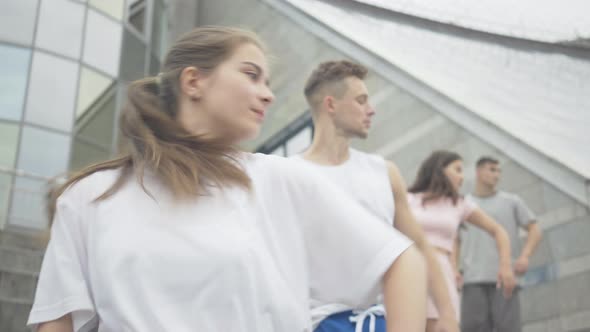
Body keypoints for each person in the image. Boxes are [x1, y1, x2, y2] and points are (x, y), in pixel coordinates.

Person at [27, 27, 427, 332]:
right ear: (193, 81)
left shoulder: (280, 179)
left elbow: (402, 261)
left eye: (268, 82)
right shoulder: (88, 198)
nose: (267, 94)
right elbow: (57, 322)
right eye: (251, 75)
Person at [292, 60, 459, 332]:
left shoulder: (384, 173)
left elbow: (419, 246)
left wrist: (447, 312)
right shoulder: (290, 175)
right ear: (331, 105)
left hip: (383, 321)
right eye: (361, 101)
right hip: (315, 323)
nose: (371, 110)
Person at [406, 150, 517, 332]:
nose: (462, 177)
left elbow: (499, 231)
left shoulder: (459, 204)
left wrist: (505, 266)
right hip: (410, 269)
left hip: (441, 271)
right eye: (457, 169)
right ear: (440, 169)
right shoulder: (408, 199)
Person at [456, 156, 542, 332]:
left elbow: (535, 229)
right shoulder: (464, 204)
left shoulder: (512, 202)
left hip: (505, 279)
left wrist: (525, 257)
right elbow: (454, 238)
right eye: (492, 170)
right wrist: (454, 268)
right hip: (472, 280)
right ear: (478, 172)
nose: (497, 175)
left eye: (499, 171)